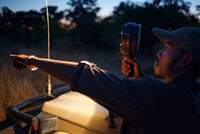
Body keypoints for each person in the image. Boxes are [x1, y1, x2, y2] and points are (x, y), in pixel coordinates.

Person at [10, 27, 200, 134]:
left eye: (167, 48)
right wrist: (139, 80)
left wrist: (30, 61)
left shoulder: (164, 96)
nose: (158, 53)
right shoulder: (191, 96)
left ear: (185, 59)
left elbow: (86, 77)